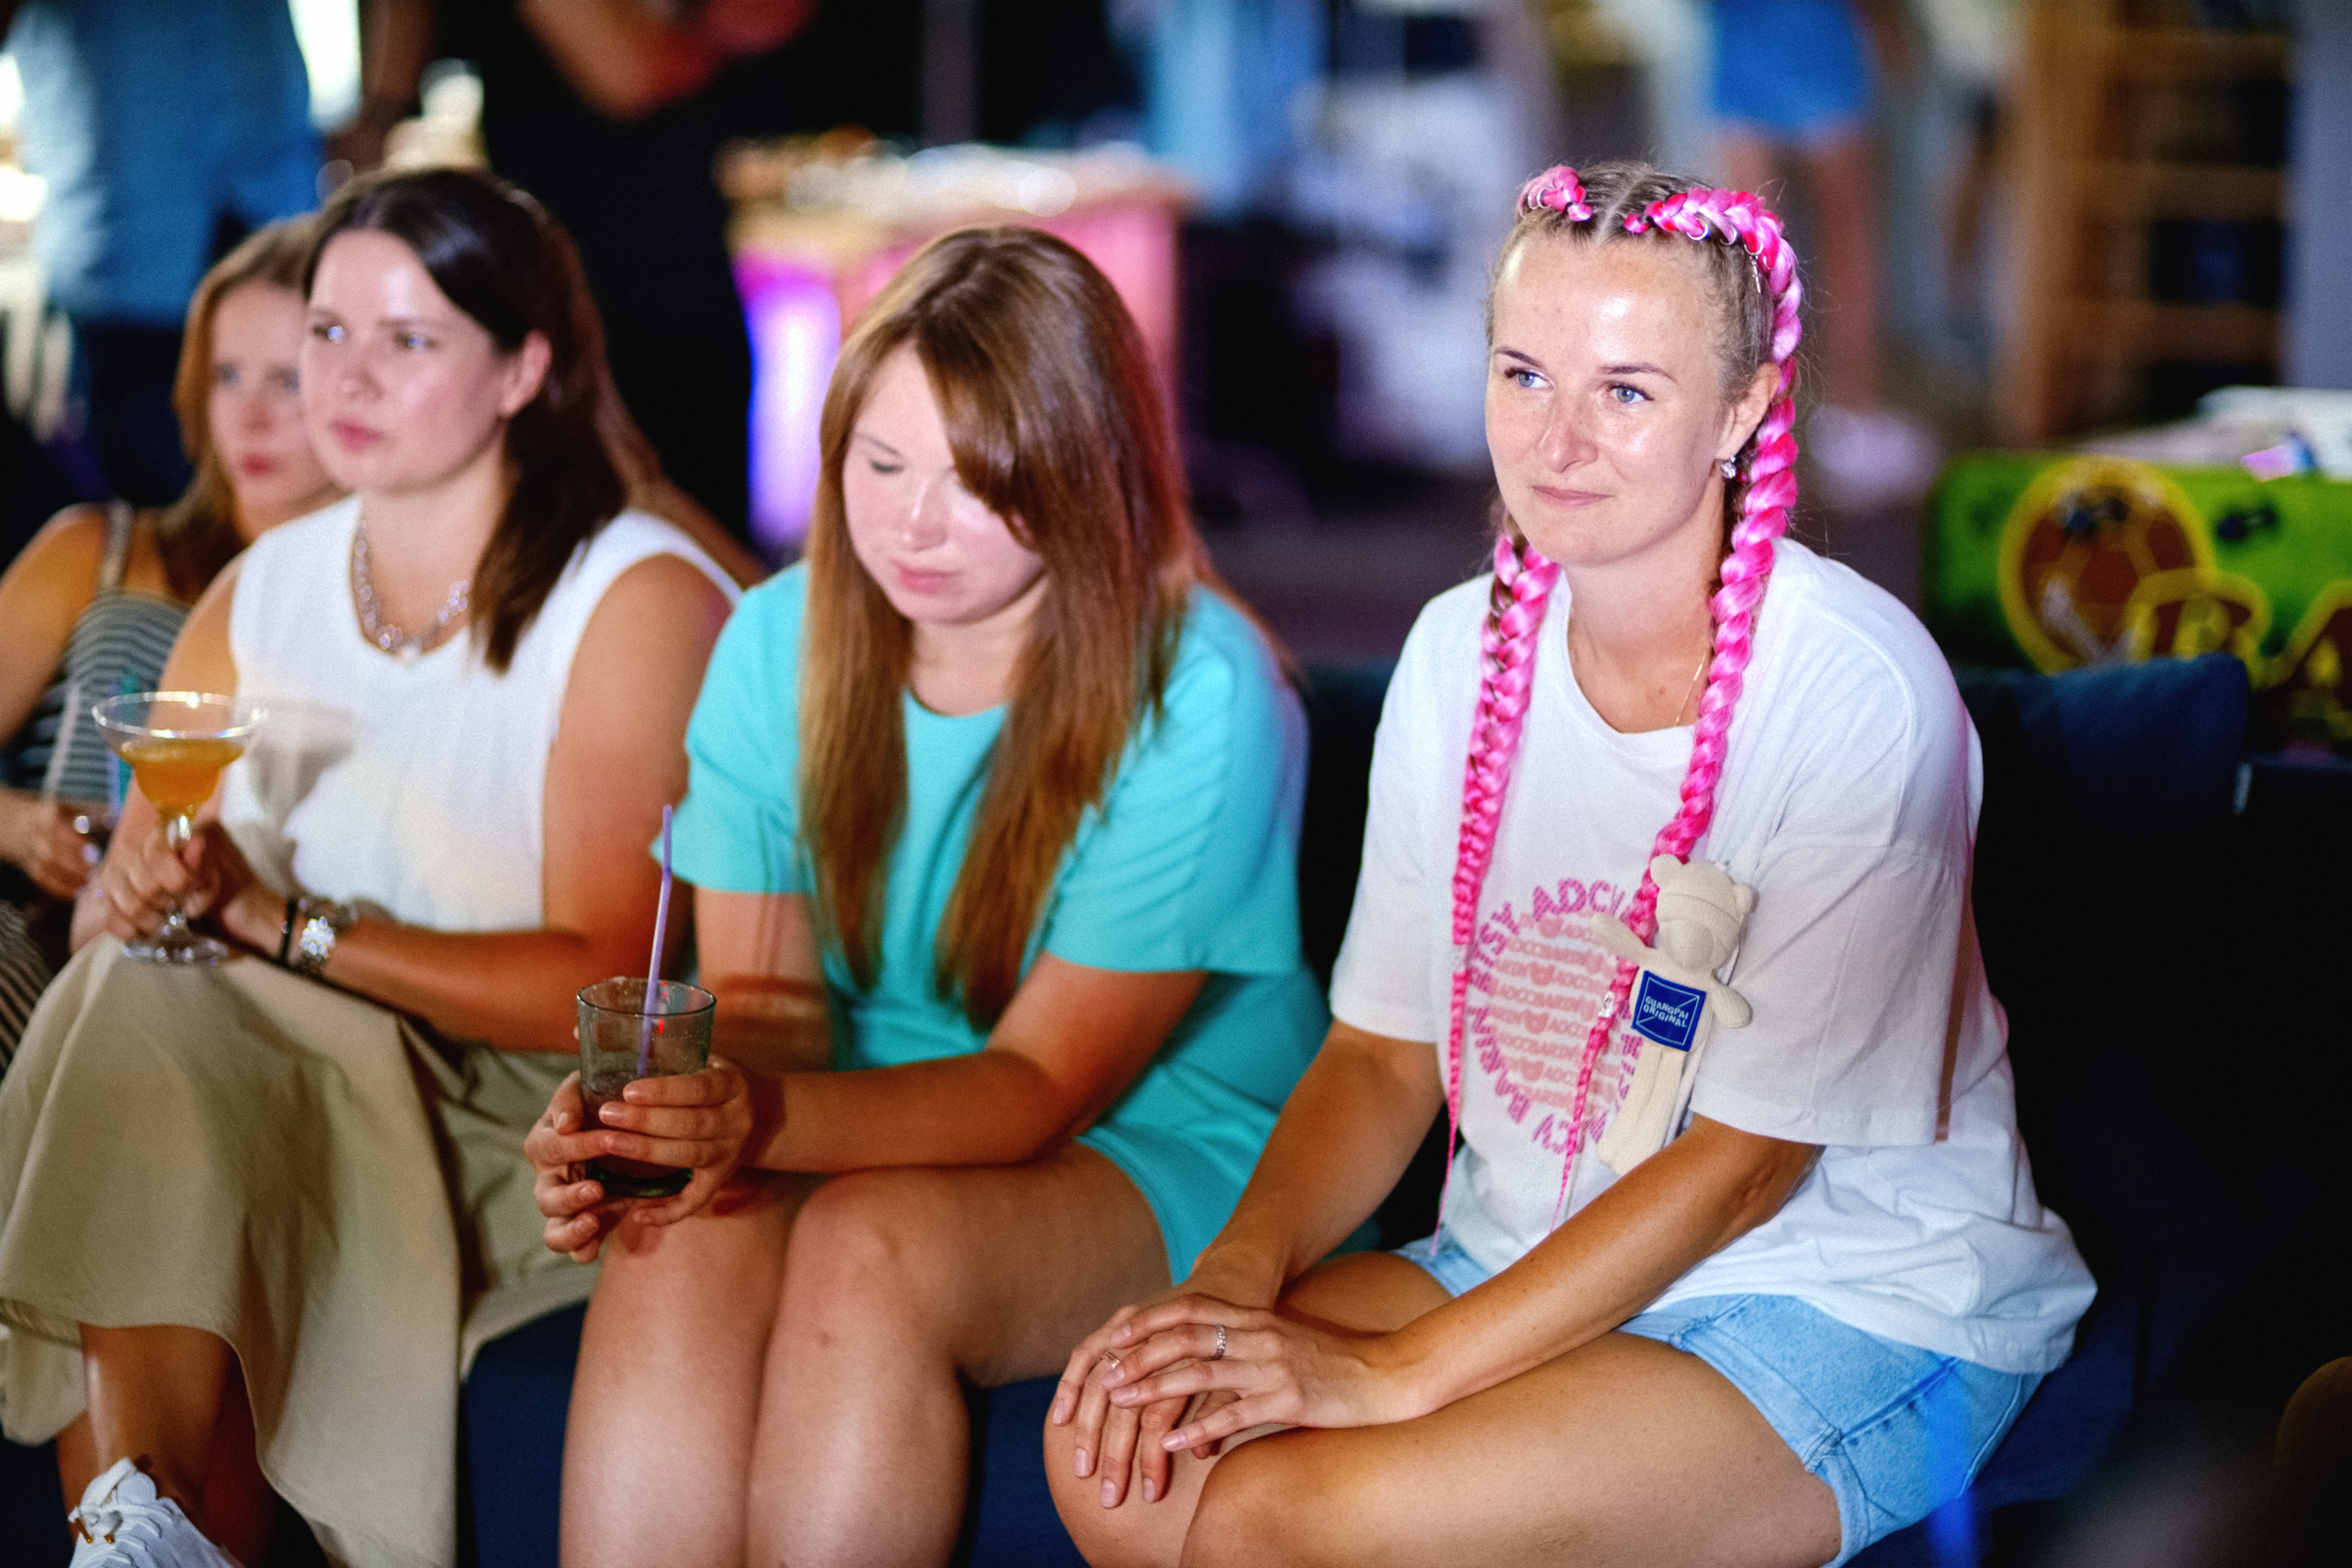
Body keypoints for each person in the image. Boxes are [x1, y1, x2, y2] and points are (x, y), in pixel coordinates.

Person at [1048, 162, 2095, 1568]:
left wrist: (1393, 1376)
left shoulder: (1857, 691)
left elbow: (1741, 1166)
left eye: (1627, 390)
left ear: (1740, 410)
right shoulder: (1448, 652)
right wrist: (1233, 1283)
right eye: (1524, 373)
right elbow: (1379, 1055)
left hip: (1839, 1292)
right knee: (1121, 1447)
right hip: (1518, 1256)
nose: (1558, 440)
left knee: (1274, 1514)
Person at [522, 225, 1325, 1568]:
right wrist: (673, 1124)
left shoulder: (1207, 689)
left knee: (868, 1240)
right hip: (865, 1084)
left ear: (1084, 471)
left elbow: (1038, 1082)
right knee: (684, 1229)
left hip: (1167, 1129)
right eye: (879, 464)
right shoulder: (777, 635)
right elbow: (769, 1010)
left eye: (975, 482)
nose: (909, 524)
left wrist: (754, 1115)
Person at [0, 166, 737, 1568]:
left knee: (155, 1028)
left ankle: (135, 1527)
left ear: (522, 368)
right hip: (254, 1084)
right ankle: (139, 1523)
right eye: (327, 333)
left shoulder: (630, 594)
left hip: (517, 1113)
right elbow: (142, 897)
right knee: (129, 993)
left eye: (409, 340)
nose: (344, 375)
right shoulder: (263, 587)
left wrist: (278, 922)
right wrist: (135, 890)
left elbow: (598, 973)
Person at [0, 218, 340, 1066]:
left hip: (245, 956)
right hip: (39, 916)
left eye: (287, 381)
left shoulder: (375, 608)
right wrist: (17, 824)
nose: (252, 415)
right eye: (228, 375)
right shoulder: (99, 546)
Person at [3, 0, 321, 506]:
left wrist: (385, 105)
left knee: (294, 484)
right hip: (121, 247)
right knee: (144, 503)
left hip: (273, 207)